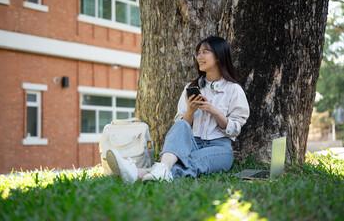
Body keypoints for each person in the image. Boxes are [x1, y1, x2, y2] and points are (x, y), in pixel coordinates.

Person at [106, 36, 250, 183]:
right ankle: (160, 170)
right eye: (198, 53)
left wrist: (215, 111)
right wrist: (191, 111)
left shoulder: (233, 90)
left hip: (219, 148)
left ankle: (139, 172)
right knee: (181, 124)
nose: (199, 57)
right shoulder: (191, 88)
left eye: (205, 52)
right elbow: (181, 129)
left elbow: (236, 129)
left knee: (194, 161)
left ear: (219, 56)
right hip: (192, 144)